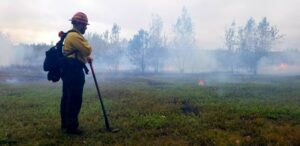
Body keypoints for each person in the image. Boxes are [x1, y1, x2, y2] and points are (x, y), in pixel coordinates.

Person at [60, 12, 92, 135]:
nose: (86, 27)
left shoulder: (70, 35)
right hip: (74, 71)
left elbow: (79, 52)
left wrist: (84, 57)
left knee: (67, 97)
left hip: (69, 70)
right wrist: (86, 51)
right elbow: (87, 49)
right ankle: (72, 127)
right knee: (74, 99)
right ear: (78, 24)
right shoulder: (74, 36)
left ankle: (66, 124)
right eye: (84, 24)